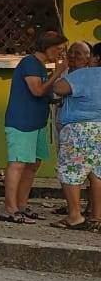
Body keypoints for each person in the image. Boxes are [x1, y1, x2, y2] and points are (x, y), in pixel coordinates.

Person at [0, 31, 68, 224]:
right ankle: (10, 209)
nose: (60, 54)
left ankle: (21, 205)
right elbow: (37, 90)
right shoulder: (30, 63)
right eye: (59, 49)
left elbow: (46, 93)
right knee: (18, 163)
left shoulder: (39, 66)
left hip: (37, 122)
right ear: (49, 47)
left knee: (32, 165)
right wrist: (58, 71)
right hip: (22, 122)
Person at [50, 59, 101, 229]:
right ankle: (96, 217)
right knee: (97, 173)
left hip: (79, 128)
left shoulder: (85, 73)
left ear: (96, 57)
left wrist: (58, 72)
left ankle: (75, 216)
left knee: (71, 171)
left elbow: (58, 88)